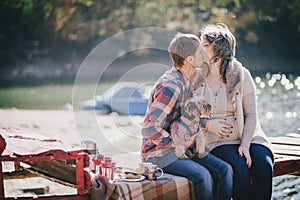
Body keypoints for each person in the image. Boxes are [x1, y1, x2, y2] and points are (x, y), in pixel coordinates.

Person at [141, 32, 233, 200]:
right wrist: (175, 145)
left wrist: (204, 123)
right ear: (190, 59)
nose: (204, 54)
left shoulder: (187, 80)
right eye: (200, 52)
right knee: (203, 176)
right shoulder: (170, 86)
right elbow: (149, 128)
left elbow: (189, 116)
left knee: (225, 170)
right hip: (158, 154)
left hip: (184, 148)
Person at [199, 23, 274, 200]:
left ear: (219, 48)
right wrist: (209, 124)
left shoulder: (242, 74)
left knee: (264, 166)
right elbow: (186, 116)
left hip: (249, 136)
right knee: (240, 168)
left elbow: (251, 114)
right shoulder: (196, 76)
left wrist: (245, 145)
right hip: (216, 141)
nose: (200, 49)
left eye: (205, 45)